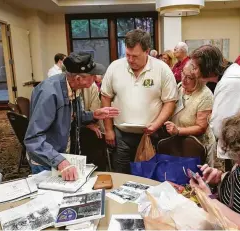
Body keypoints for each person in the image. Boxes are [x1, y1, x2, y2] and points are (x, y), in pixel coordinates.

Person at [24, 52, 119, 178]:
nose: (96, 78)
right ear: (79, 78)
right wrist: (60, 161)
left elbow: (69, 116)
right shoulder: (49, 93)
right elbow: (33, 138)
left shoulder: (72, 87)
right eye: (92, 75)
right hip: (45, 161)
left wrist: (93, 115)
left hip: (59, 156)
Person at [101, 29, 178, 173]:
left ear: (147, 51)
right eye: (127, 55)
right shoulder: (115, 67)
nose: (130, 60)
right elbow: (105, 97)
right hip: (121, 135)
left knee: (147, 177)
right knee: (121, 175)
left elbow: (170, 102)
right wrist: (109, 129)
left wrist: (156, 124)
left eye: (135, 56)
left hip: (150, 135)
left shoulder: (162, 69)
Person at [190, 45, 240, 165]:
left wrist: (209, 118)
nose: (193, 72)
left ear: (207, 67)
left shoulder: (230, 83)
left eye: (195, 68)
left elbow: (219, 127)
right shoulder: (233, 76)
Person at [164, 62, 215, 147]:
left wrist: (178, 130)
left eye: (189, 78)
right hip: (177, 142)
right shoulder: (180, 86)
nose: (183, 79)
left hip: (196, 146)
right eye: (183, 74)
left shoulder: (206, 96)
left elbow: (201, 127)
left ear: (199, 79)